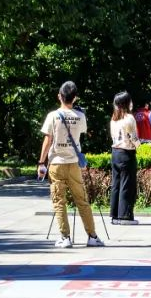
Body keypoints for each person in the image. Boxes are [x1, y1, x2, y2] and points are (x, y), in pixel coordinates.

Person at [38, 80, 104, 249]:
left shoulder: (53, 116)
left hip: (56, 163)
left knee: (59, 201)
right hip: (74, 163)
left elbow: (48, 140)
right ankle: (92, 236)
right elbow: (81, 132)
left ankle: (65, 237)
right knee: (82, 200)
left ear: (59, 96)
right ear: (75, 98)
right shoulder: (80, 116)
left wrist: (41, 162)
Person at [109, 90, 140, 225]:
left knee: (116, 184)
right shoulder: (129, 118)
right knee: (127, 184)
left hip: (115, 152)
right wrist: (139, 145)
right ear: (127, 103)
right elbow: (132, 137)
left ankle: (115, 215)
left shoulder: (114, 118)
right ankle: (125, 216)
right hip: (126, 153)